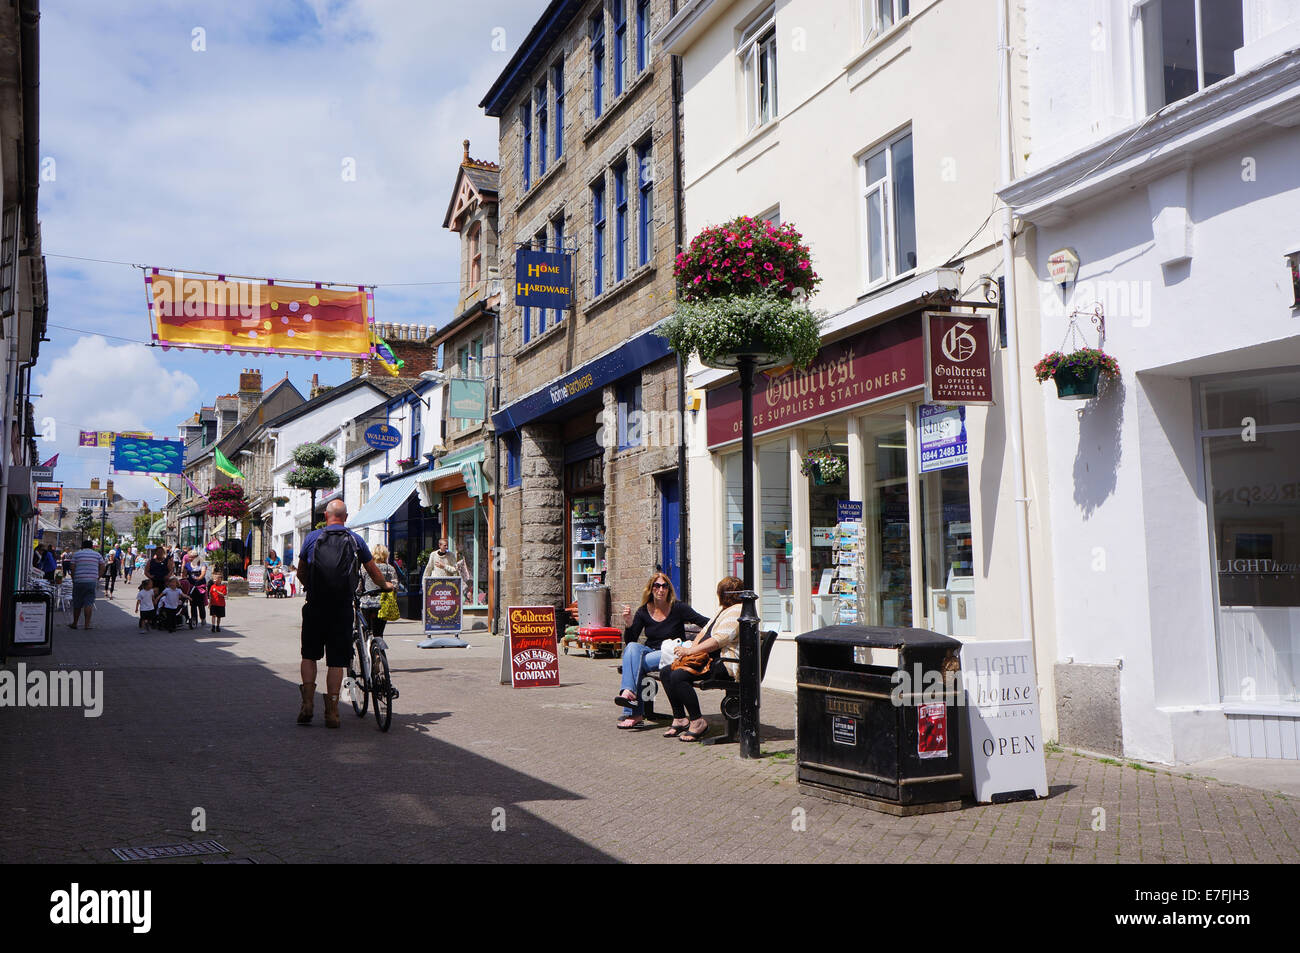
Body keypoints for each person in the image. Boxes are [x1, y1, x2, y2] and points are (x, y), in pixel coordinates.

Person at [297, 499, 395, 728]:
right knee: (336, 661)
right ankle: (332, 713)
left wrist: (311, 587)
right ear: (346, 517)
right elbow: (372, 570)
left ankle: (307, 705)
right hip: (341, 608)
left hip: (315, 605)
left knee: (309, 655)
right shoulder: (355, 539)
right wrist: (386, 586)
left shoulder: (312, 538)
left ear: (325, 517)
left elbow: (302, 570)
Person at [613, 572, 711, 729]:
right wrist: (629, 624)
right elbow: (631, 640)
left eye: (664, 586)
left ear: (669, 589)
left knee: (634, 664)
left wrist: (698, 642)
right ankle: (629, 695)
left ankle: (633, 710)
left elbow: (705, 623)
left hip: (671, 653)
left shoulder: (678, 608)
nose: (661, 589)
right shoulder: (643, 611)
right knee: (632, 648)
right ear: (651, 589)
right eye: (657, 586)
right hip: (651, 652)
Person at [660, 576, 745, 742]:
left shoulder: (738, 610)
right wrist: (690, 650)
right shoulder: (724, 610)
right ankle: (679, 719)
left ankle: (697, 721)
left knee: (678, 676)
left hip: (725, 663)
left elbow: (719, 639)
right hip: (709, 659)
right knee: (665, 672)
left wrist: (690, 652)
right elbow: (703, 631)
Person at [357, 543, 399, 641]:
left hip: (366, 603)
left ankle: (367, 651)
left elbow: (359, 587)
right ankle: (379, 652)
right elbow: (395, 586)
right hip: (382, 604)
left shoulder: (365, 568)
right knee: (379, 633)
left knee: (366, 631)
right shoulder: (390, 569)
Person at [68, 539, 105, 630]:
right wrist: (98, 577)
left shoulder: (76, 554)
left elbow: (72, 568)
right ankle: (87, 625)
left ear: (82, 546)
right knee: (89, 603)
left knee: (77, 603)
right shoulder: (97, 555)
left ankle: (75, 623)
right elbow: (103, 566)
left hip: (78, 581)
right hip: (91, 581)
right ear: (92, 546)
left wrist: (73, 578)